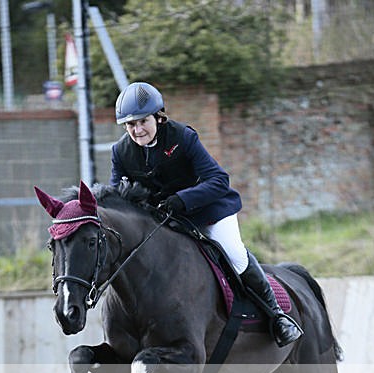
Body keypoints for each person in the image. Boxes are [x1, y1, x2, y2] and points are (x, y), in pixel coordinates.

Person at [110, 81, 302, 347]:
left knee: (234, 254)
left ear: (158, 117)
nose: (137, 130)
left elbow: (219, 180)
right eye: (130, 125)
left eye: (143, 122)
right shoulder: (121, 152)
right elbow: (117, 197)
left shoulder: (182, 137)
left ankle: (277, 316)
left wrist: (182, 200)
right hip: (167, 220)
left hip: (208, 210)